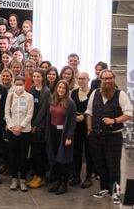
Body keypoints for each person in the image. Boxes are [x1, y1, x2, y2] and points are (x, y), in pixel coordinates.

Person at [85, 69, 133, 203]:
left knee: (113, 165)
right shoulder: (95, 93)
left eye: (109, 78)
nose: (107, 81)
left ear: (114, 79)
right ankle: (104, 188)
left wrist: (114, 120)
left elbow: (129, 113)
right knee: (100, 163)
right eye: (104, 79)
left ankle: (116, 192)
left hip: (113, 136)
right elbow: (89, 112)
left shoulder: (121, 94)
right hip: (96, 136)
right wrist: (89, 129)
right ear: (100, 80)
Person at [46, 79, 76, 195]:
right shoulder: (52, 99)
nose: (61, 90)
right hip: (53, 133)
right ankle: (57, 181)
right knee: (56, 159)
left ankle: (64, 184)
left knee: (64, 159)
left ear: (66, 90)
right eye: (59, 87)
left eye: (63, 88)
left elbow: (73, 121)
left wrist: (69, 136)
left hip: (64, 135)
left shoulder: (70, 103)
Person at [4, 74, 34, 192]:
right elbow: (7, 113)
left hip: (25, 130)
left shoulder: (29, 97)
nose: (18, 87)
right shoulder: (10, 96)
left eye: (21, 84)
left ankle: (23, 179)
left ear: (24, 85)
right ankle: (14, 178)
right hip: (12, 130)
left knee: (23, 155)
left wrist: (20, 127)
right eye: (16, 84)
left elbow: (29, 114)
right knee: (12, 154)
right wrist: (12, 127)